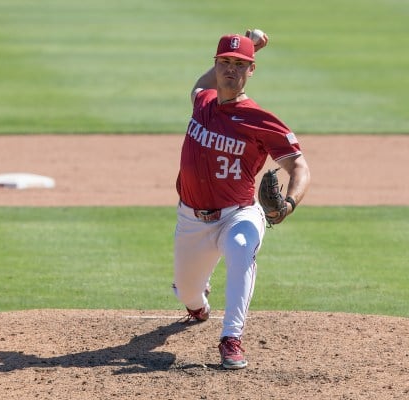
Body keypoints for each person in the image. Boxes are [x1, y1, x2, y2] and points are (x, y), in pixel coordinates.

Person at [172, 29, 311, 370]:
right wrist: (253, 48)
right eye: (225, 63)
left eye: (240, 64)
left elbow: (299, 166)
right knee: (188, 293)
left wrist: (289, 204)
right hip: (191, 220)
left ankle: (231, 338)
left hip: (239, 212)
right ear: (216, 65)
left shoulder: (260, 121)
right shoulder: (203, 102)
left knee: (239, 247)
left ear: (252, 70)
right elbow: (199, 86)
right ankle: (196, 303)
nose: (230, 70)